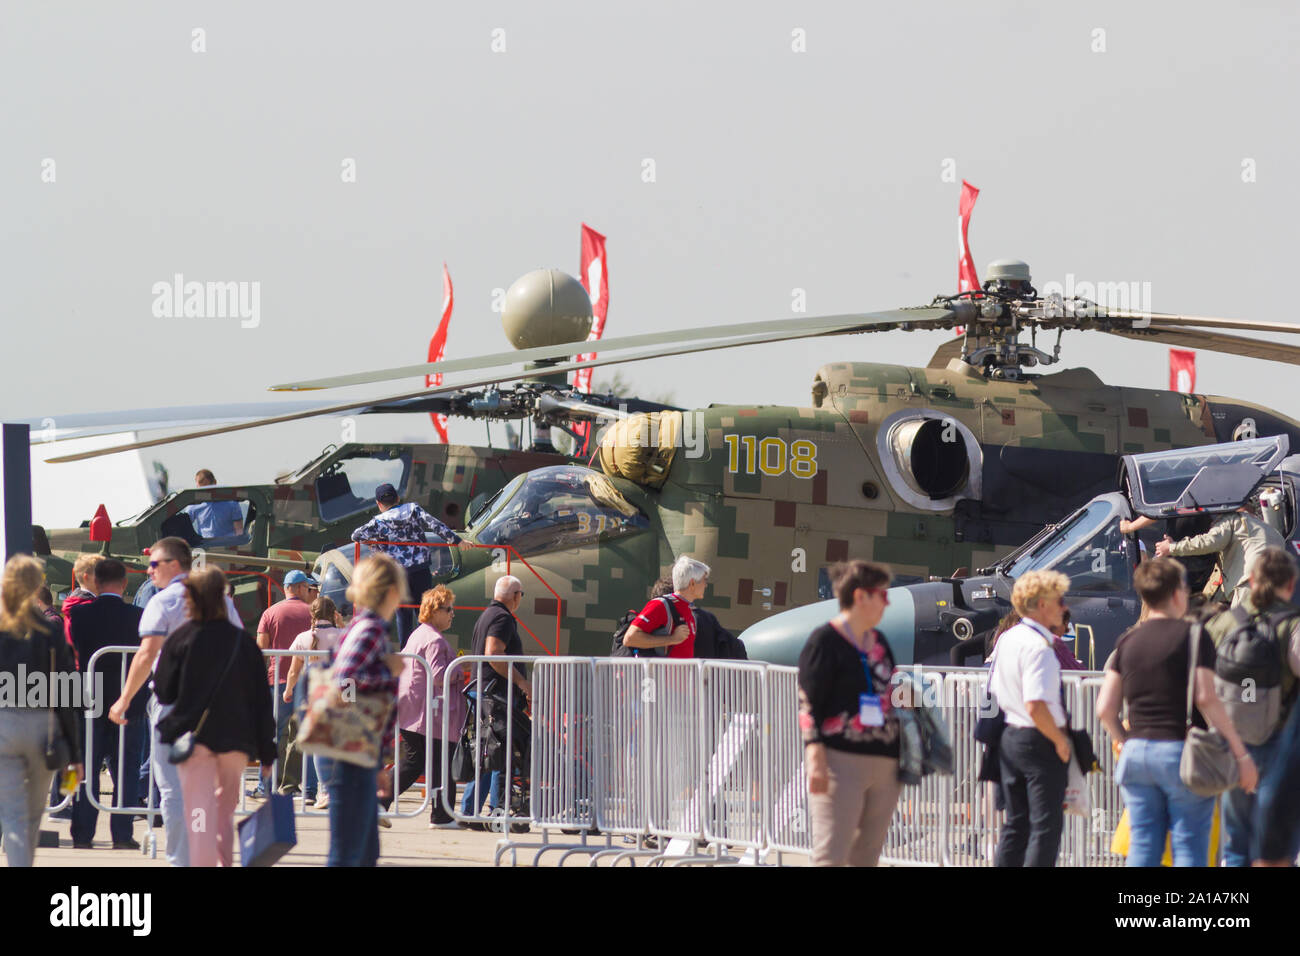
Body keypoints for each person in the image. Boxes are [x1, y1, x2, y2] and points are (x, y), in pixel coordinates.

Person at [1097, 557, 1259, 867]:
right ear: (1176, 593)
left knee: (1143, 846)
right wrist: (1238, 752)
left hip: (1136, 755)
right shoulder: (1195, 637)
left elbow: (1104, 708)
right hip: (1179, 754)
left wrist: (1125, 741)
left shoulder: (1128, 640)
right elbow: (1206, 697)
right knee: (1189, 846)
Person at [108, 537, 242, 867]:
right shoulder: (220, 601)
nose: (149, 571)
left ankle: (183, 860)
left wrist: (123, 699)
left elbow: (147, 654)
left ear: (173, 565)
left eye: (154, 564)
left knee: (173, 789)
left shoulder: (163, 602)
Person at [153, 568, 275, 867]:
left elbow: (165, 692)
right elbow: (261, 699)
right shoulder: (243, 643)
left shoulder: (181, 639)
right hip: (236, 741)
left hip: (194, 739)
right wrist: (268, 752)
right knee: (223, 813)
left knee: (199, 813)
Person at [798, 559, 903, 866]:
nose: (887, 602)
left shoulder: (879, 641)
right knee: (831, 854)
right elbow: (809, 702)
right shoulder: (824, 641)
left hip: (885, 763)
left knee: (866, 857)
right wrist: (814, 754)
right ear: (861, 597)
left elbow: (888, 687)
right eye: (882, 595)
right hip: (840, 762)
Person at [1202, 546, 1300, 867]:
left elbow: (1198, 682)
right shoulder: (1293, 626)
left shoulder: (1224, 623)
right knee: (1276, 846)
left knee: (1237, 841)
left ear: (1252, 580)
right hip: (1280, 746)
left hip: (1232, 744)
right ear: (1291, 583)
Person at [0, 555, 83, 866]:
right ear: (38, 587)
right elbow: (65, 694)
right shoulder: (49, 632)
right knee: (33, 815)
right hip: (42, 727)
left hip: (3, 725)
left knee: (11, 813)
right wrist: (74, 754)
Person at [987, 570, 1072, 867]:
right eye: (1058, 600)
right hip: (1038, 738)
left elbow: (996, 688)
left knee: (1016, 824)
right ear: (1042, 604)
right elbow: (1035, 704)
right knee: (1045, 828)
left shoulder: (1008, 638)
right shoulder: (1040, 648)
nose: (1063, 607)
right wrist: (1060, 741)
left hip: (1010, 735)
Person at [326, 554, 405, 866]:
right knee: (349, 854)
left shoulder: (367, 628)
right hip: (350, 751)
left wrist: (378, 765)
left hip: (358, 753)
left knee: (362, 853)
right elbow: (344, 682)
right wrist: (389, 672)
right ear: (390, 592)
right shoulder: (370, 630)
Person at [67, 559, 147, 850]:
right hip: (129, 702)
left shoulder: (79, 614)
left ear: (95, 583)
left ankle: (82, 832)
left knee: (85, 767)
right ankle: (122, 834)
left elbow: (75, 648)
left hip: (90, 701)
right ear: (125, 584)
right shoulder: (139, 615)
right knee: (126, 769)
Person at [380, 585, 464, 827]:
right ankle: (379, 801)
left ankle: (441, 814)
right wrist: (460, 671)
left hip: (416, 710)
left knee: (435, 762)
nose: (452, 614)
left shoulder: (418, 634)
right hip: (427, 713)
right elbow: (439, 676)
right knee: (420, 761)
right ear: (435, 611)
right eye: (448, 609)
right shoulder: (435, 640)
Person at [350, 483, 461, 647]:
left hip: (398, 575)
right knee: (424, 613)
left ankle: (406, 651)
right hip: (421, 569)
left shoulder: (378, 522)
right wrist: (457, 540)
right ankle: (429, 647)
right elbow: (435, 524)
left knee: (403, 615)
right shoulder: (413, 509)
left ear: (379, 504)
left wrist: (378, 545)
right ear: (398, 498)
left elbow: (356, 535)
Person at [462, 575, 532, 827]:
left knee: (487, 753)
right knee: (498, 754)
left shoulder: (487, 615)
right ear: (515, 596)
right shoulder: (502, 618)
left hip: (486, 693)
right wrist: (522, 683)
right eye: (521, 595)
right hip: (498, 696)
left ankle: (470, 812)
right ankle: (495, 810)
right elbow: (493, 652)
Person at [254, 569, 316, 796]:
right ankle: (309, 789)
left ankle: (265, 786)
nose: (309, 592)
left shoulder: (270, 613)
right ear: (299, 587)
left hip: (277, 681)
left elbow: (261, 648)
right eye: (308, 588)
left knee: (274, 735)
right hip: (307, 681)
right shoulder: (313, 613)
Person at [282, 596, 346, 808]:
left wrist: (289, 690)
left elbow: (293, 670)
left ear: (312, 615)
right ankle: (333, 789)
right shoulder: (342, 636)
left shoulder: (303, 638)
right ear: (334, 613)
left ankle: (317, 791)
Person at [1156, 504, 1285, 607]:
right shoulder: (1268, 529)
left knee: (1244, 628)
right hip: (1276, 586)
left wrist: (1172, 547)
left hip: (1250, 583)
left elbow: (1209, 542)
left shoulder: (1232, 519)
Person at [621, 556, 708, 658]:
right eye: (704, 580)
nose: (706, 585)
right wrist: (672, 639)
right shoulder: (661, 604)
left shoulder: (689, 610)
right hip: (658, 674)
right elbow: (630, 638)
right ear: (692, 583)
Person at [184, 470, 244, 539]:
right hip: (204, 545)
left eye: (208, 488)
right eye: (201, 489)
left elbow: (239, 530)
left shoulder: (231, 503)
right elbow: (184, 526)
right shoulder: (194, 504)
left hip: (228, 545)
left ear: (214, 482)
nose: (206, 493)